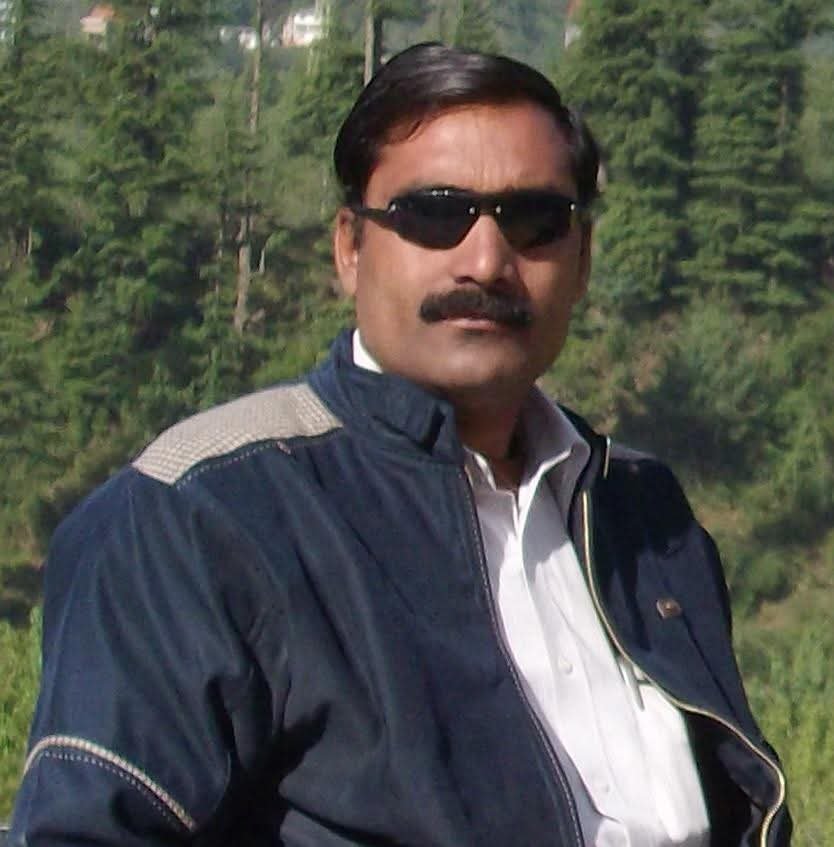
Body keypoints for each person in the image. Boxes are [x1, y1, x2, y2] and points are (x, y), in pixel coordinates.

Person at [10, 43, 790, 846]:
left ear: (582, 256)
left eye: (534, 221)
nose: (486, 262)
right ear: (350, 246)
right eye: (434, 215)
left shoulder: (639, 513)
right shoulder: (201, 514)